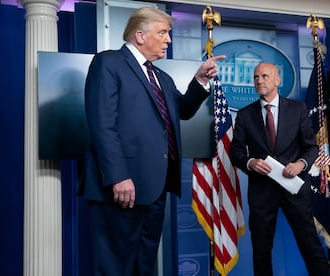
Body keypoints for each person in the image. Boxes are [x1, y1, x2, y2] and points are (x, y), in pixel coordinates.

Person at [79, 7, 225, 275]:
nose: (168, 39)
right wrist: (118, 176)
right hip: (121, 187)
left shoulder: (162, 77)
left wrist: (200, 81)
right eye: (163, 33)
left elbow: (182, 110)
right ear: (140, 35)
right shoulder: (108, 63)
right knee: (115, 267)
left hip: (155, 188)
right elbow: (103, 124)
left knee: (144, 265)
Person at [229, 62, 330, 276]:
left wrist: (300, 164)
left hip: (295, 189)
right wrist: (250, 163)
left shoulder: (298, 109)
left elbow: (311, 148)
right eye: (256, 77)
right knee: (261, 251)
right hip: (261, 192)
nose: (259, 80)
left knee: (310, 245)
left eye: (265, 76)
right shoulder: (245, 115)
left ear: (277, 80)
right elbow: (235, 152)